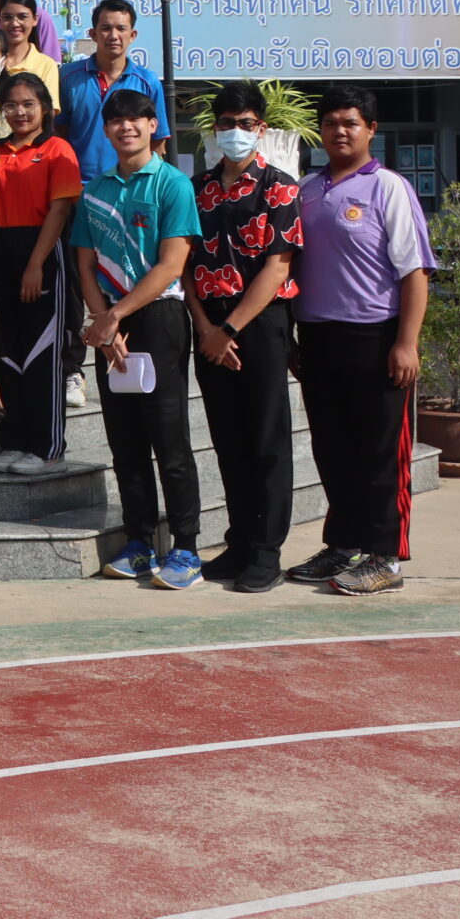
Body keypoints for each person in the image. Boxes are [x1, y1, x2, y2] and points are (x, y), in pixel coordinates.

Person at [289, 86, 434, 597]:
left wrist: (406, 343)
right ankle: (343, 543)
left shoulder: (388, 188)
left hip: (375, 339)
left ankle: (385, 557)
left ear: (371, 129)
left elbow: (415, 272)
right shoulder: (306, 190)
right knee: (333, 449)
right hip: (318, 338)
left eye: (350, 123)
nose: (340, 131)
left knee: (379, 454)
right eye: (330, 123)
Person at [71, 88, 204, 590]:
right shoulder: (95, 190)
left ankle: (186, 547)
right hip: (111, 321)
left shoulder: (173, 184)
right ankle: (140, 541)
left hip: (158, 318)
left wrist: (113, 317)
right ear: (106, 130)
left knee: (169, 439)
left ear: (153, 126)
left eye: (137, 118)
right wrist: (103, 320)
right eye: (116, 120)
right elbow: (85, 263)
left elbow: (172, 265)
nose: (126, 127)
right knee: (125, 440)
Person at [186, 81, 305, 593]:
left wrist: (230, 329)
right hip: (209, 324)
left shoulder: (280, 187)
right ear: (215, 129)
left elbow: (278, 268)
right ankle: (238, 543)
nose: (236, 131)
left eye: (246, 123)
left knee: (266, 439)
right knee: (228, 438)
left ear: (261, 127)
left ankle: (265, 550)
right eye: (227, 123)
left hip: (259, 324)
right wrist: (206, 328)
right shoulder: (197, 189)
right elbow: (183, 263)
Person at [0, 72, 83, 473]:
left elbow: (59, 211)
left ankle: (47, 447)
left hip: (41, 250)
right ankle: (15, 439)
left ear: (44, 108)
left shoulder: (57, 149)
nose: (19, 112)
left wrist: (36, 264)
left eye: (28, 104)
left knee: (42, 353)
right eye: (11, 105)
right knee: (5, 350)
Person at [57, 0, 171, 179]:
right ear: (93, 34)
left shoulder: (149, 82)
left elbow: (157, 141)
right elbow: (58, 134)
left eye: (121, 28)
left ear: (132, 35)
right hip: (78, 185)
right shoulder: (67, 77)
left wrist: (145, 183)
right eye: (105, 28)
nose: (113, 36)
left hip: (130, 186)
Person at [0, 0, 63, 107]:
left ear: (35, 20)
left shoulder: (46, 65)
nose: (15, 23)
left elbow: (49, 110)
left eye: (22, 17)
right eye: (7, 17)